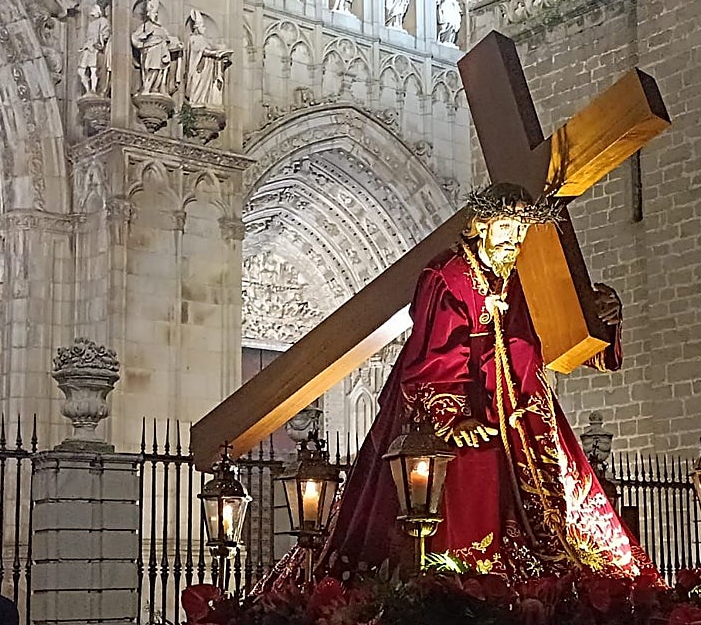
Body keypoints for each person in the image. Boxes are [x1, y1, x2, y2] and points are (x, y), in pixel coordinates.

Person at [260, 183, 653, 588]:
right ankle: (456, 589)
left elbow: (561, 337)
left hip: (526, 411)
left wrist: (602, 317)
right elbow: (434, 353)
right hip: (461, 406)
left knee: (565, 519)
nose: (515, 240)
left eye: (521, 231)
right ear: (481, 225)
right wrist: (452, 418)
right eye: (507, 228)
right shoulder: (447, 275)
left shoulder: (521, 277)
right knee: (457, 486)